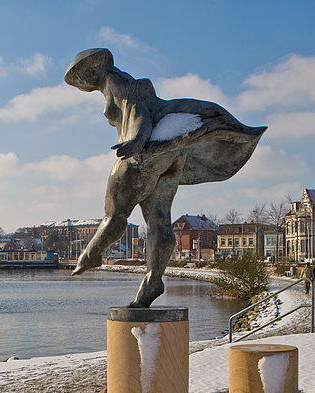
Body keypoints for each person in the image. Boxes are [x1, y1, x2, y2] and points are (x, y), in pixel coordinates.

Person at [64, 48, 266, 307]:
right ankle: (153, 280)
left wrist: (137, 140)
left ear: (91, 70)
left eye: (80, 77)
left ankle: (91, 254)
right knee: (159, 222)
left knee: (115, 214)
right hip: (172, 158)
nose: (82, 82)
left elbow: (135, 108)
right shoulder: (122, 81)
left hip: (145, 152)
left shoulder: (115, 81)